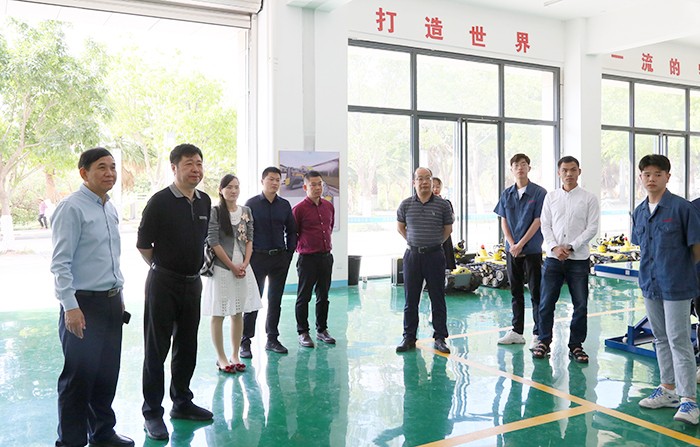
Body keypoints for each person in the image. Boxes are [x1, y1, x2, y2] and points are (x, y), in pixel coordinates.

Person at [50, 147, 134, 447]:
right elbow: (60, 264)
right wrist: (70, 307)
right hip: (82, 305)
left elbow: (110, 258)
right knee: (78, 379)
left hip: (110, 302)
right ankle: (71, 441)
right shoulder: (71, 208)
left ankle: (102, 433)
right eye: (101, 167)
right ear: (84, 172)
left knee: (106, 373)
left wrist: (119, 294)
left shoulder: (109, 208)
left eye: (112, 167)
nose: (110, 173)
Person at [136, 143, 213, 441]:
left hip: (193, 283)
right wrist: (163, 269)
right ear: (174, 168)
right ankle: (152, 413)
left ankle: (181, 402)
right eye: (189, 163)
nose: (196, 169)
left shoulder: (205, 201)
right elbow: (144, 245)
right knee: (156, 349)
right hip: (163, 284)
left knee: (187, 345)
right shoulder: (159, 202)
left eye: (199, 163)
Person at [632, 154, 700, 425]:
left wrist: (678, 270)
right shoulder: (639, 211)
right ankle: (668, 389)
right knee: (660, 338)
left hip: (676, 285)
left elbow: (696, 249)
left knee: (679, 340)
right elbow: (642, 246)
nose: (652, 179)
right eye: (647, 174)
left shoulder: (682, 208)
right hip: (650, 284)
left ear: (667, 177)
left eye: (658, 174)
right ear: (640, 177)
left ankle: (689, 401)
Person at [532, 156, 599, 363]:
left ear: (579, 171)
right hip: (553, 259)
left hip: (578, 259)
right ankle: (543, 341)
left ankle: (576, 345)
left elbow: (592, 227)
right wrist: (554, 247)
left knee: (580, 304)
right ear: (559, 173)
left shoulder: (589, 198)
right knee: (546, 302)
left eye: (573, 170)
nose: (569, 174)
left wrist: (571, 246)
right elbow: (545, 225)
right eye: (565, 170)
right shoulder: (551, 197)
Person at [203, 174, 263, 374]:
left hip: (243, 268)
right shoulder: (215, 212)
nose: (233, 191)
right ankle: (221, 357)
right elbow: (213, 241)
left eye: (236, 187)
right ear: (221, 190)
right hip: (222, 267)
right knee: (219, 313)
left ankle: (235, 354)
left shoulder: (246, 211)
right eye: (229, 187)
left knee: (238, 312)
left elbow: (250, 239)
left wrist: (244, 264)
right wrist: (232, 266)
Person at [396, 167, 454, 354]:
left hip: (435, 256)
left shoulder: (443, 205)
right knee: (411, 299)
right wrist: (415, 242)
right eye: (420, 179)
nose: (424, 182)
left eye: (427, 178)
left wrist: (433, 243)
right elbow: (400, 227)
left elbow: (448, 230)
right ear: (414, 182)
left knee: (438, 298)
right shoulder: (405, 205)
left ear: (431, 181)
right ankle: (409, 337)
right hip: (412, 256)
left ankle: (440, 338)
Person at [242, 167, 297, 358]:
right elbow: (244, 233)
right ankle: (245, 341)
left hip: (279, 259)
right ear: (262, 181)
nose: (274, 183)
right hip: (257, 259)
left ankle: (272, 339)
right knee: (253, 300)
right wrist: (247, 258)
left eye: (277, 180)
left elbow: (292, 230)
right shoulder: (251, 204)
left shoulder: (284, 205)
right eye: (271, 179)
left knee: (275, 300)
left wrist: (289, 253)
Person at [493, 154, 547, 349]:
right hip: (512, 251)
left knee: (536, 291)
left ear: (529, 168)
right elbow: (504, 220)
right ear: (512, 170)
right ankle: (517, 331)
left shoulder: (539, 193)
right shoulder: (506, 194)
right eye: (516, 165)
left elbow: (538, 221)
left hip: (531, 250)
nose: (520, 168)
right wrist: (511, 244)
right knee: (515, 291)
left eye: (523, 164)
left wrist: (521, 244)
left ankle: (538, 333)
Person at [293, 170, 336, 348]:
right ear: (305, 187)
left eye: (320, 184)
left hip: (326, 257)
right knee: (304, 297)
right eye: (313, 185)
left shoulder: (329, 206)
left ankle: (322, 330)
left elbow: (330, 227)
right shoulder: (299, 209)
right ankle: (303, 332)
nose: (318, 188)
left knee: (323, 296)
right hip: (307, 259)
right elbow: (293, 233)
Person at [431, 177, 456, 271]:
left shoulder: (446, 203)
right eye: (433, 187)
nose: (435, 189)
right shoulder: (424, 204)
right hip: (431, 238)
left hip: (444, 237)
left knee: (446, 263)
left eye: (438, 187)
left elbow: (451, 219)